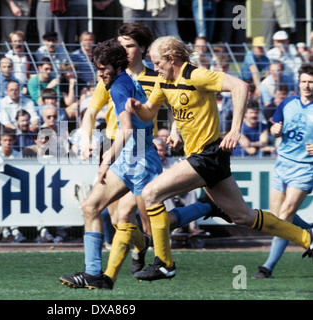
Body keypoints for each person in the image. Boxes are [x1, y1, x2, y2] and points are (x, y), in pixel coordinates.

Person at [125, 36, 313, 281]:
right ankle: (307, 238)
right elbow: (150, 111)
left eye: (158, 62)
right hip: (205, 158)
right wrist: (136, 106)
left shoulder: (197, 76)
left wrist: (235, 129)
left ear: (172, 59)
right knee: (243, 216)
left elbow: (240, 86)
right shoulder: (163, 81)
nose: (155, 67)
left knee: (150, 193)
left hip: (209, 155)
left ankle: (164, 263)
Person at [59, 37, 227, 290]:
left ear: (116, 65)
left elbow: (126, 129)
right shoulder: (122, 81)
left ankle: (206, 207)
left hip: (140, 160)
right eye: (98, 67)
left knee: (152, 226)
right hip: (129, 159)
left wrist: (106, 159)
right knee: (90, 206)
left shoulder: (118, 87)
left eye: (103, 68)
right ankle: (92, 273)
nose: (99, 72)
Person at [251, 63, 313, 279]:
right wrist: (275, 130)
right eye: (304, 81)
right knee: (276, 218)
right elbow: (275, 127)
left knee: (285, 216)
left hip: (305, 168)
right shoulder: (287, 103)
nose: (307, 85)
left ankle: (267, 267)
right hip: (282, 164)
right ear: (299, 82)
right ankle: (309, 233)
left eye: (311, 82)